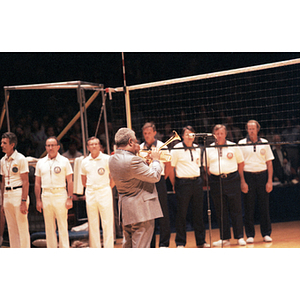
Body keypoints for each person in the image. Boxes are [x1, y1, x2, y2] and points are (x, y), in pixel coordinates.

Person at [108, 127, 163, 248]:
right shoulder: (133, 160)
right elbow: (155, 176)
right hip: (141, 210)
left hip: (126, 209)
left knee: (128, 245)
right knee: (141, 246)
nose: (137, 144)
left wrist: (143, 160)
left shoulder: (111, 159)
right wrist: (155, 160)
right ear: (130, 142)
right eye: (136, 141)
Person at [205, 124, 247, 247]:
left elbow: (241, 163)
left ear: (225, 134)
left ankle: (239, 236)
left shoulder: (233, 147)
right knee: (220, 210)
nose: (219, 135)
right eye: (217, 133)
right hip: (216, 181)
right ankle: (225, 238)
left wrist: (240, 180)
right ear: (214, 135)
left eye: (221, 133)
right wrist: (216, 175)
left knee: (236, 209)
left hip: (232, 179)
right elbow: (206, 167)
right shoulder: (209, 149)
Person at [169, 125, 208, 248]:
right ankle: (180, 242)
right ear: (182, 136)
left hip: (197, 182)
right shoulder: (176, 148)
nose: (189, 136)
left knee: (198, 213)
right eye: (186, 134)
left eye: (191, 134)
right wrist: (174, 185)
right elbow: (171, 168)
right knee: (182, 214)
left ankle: (201, 241)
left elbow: (200, 166)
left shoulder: (198, 148)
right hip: (183, 183)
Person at [238, 120, 274, 243]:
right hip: (248, 176)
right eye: (249, 128)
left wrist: (269, 181)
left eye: (253, 128)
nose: (251, 130)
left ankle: (266, 233)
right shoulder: (241, 143)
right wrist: (242, 181)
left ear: (257, 129)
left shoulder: (264, 143)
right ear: (246, 129)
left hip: (262, 176)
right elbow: (240, 164)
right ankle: (250, 235)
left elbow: (269, 163)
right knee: (248, 207)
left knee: (264, 206)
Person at [34, 136, 73, 248]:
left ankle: (64, 249)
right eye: (48, 145)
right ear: (46, 147)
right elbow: (37, 183)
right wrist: (38, 200)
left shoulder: (64, 161)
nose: (50, 148)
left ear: (58, 147)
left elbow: (70, 181)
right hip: (46, 195)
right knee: (49, 226)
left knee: (62, 225)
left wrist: (70, 198)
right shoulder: (40, 162)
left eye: (53, 145)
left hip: (60, 194)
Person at [140, 122, 171, 248]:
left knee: (163, 212)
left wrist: (161, 178)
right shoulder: (140, 147)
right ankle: (150, 244)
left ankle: (164, 243)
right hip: (146, 182)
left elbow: (168, 165)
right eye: (145, 133)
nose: (147, 135)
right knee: (148, 215)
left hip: (159, 181)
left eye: (149, 133)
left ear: (154, 132)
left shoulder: (162, 146)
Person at [80, 137, 114, 248]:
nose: (94, 146)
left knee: (107, 221)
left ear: (100, 146)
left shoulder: (107, 159)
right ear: (87, 147)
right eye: (91, 144)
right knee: (92, 222)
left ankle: (109, 247)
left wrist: (107, 188)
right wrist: (91, 189)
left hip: (104, 190)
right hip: (90, 192)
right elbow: (83, 180)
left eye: (96, 144)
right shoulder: (84, 162)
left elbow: (113, 177)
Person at [0, 132, 30, 248]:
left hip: (18, 194)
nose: (2, 145)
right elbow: (2, 182)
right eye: (2, 143)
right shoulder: (2, 160)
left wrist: (23, 201)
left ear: (12, 145)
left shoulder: (21, 158)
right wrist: (2, 202)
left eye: (4, 143)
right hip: (7, 195)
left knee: (22, 228)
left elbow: (26, 181)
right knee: (11, 229)